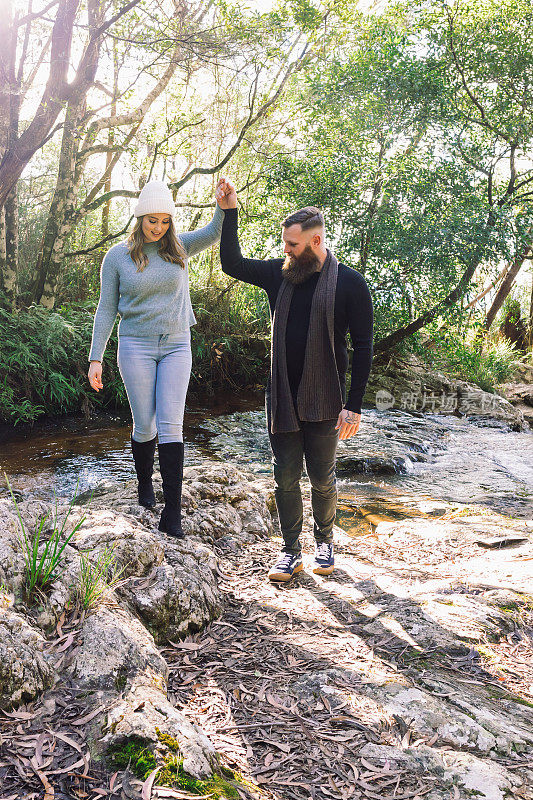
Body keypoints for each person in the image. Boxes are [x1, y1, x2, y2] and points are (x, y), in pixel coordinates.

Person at [216, 179, 373, 580]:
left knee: (322, 478)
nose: (285, 251)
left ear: (316, 241)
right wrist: (230, 211)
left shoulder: (352, 285)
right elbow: (232, 264)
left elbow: (364, 348)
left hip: (326, 400)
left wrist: (353, 405)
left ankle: (324, 542)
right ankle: (290, 551)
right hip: (282, 397)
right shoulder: (278, 275)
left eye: (293, 245)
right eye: (285, 243)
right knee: (285, 477)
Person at [88, 179, 226, 538]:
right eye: (153, 221)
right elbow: (106, 309)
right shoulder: (117, 257)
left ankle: (173, 513)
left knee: (171, 424)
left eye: (165, 221)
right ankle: (144, 483)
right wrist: (95, 358)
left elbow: (214, 232)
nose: (159, 228)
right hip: (136, 345)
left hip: (178, 343)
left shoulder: (178, 247)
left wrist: (224, 204)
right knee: (145, 425)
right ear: (139, 217)